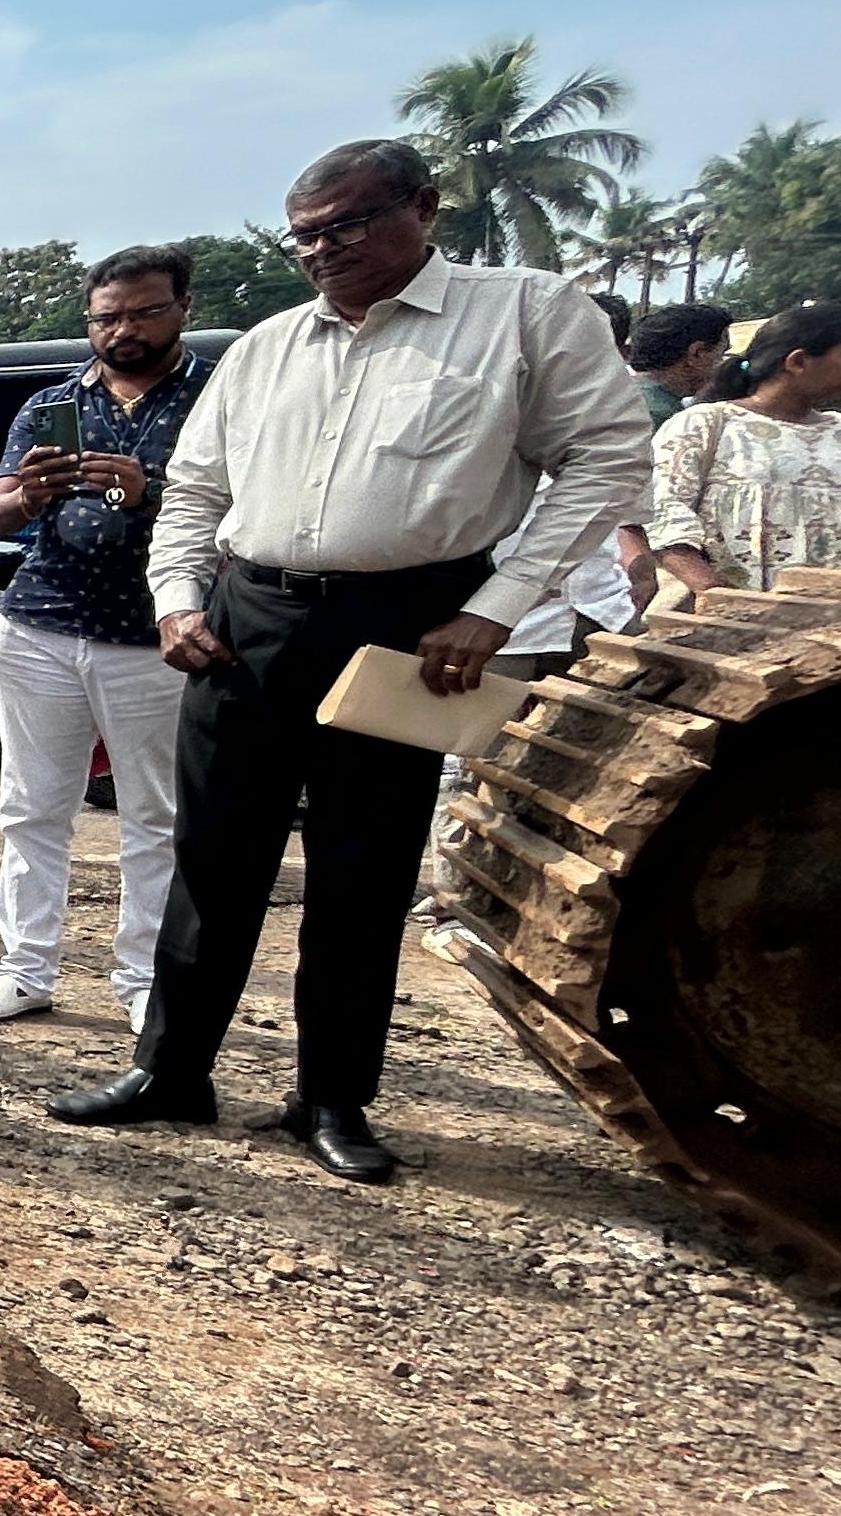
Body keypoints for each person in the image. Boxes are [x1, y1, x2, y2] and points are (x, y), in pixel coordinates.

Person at [54, 139, 651, 1182]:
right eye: (305, 236)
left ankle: (331, 1097)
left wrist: (499, 607)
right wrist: (179, 598)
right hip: (251, 619)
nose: (323, 251)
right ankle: (172, 1071)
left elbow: (606, 456)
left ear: (422, 207)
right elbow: (196, 489)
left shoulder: (522, 313)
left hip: (412, 626)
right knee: (213, 856)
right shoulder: (270, 345)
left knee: (361, 870)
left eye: (347, 226)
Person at [0, 248, 210, 1030]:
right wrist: (26, 494)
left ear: (182, 310)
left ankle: (140, 981)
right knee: (30, 807)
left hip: (154, 634)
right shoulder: (50, 404)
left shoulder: (218, 399)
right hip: (41, 624)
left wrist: (151, 490)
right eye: (107, 317)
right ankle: (25, 969)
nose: (123, 330)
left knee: (154, 816)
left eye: (142, 312)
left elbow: (246, 512)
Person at [648, 300, 841, 598]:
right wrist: (713, 593)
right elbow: (662, 513)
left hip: (823, 629)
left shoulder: (837, 430)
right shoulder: (705, 424)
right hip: (720, 623)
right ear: (798, 362)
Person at [623, 302, 734, 422]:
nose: (723, 363)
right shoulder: (664, 415)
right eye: (721, 354)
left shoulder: (623, 394)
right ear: (697, 353)